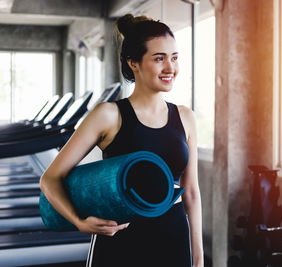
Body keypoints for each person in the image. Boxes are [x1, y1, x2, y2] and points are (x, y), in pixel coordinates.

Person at [40, 14, 203, 267]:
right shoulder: (107, 115)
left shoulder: (185, 117)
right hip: (120, 240)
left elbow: (191, 192)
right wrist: (78, 222)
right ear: (133, 62)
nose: (170, 68)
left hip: (173, 237)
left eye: (174, 58)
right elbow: (50, 178)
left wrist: (199, 258)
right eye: (159, 59)